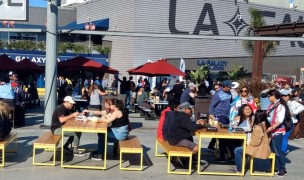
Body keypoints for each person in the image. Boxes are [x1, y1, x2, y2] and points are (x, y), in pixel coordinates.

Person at [266, 89, 292, 176]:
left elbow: (280, 120)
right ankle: (273, 167)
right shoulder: (272, 105)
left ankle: (282, 169)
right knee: (272, 150)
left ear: (274, 96)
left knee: (278, 151)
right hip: (271, 130)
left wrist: (272, 127)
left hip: (277, 131)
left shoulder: (280, 106)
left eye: (269, 96)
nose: (268, 98)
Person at [208, 80, 234, 152]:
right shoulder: (218, 94)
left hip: (227, 115)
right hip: (219, 116)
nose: (230, 88)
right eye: (229, 87)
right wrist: (211, 115)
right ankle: (223, 151)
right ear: (224, 87)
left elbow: (230, 102)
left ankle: (211, 145)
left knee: (222, 133)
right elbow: (212, 106)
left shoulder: (229, 93)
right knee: (223, 134)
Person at [281, 89, 304, 153]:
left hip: (290, 122)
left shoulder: (293, 103)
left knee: (285, 136)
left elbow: (302, 107)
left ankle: (283, 150)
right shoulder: (280, 103)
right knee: (282, 136)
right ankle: (281, 150)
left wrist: (294, 112)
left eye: (285, 95)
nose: (283, 97)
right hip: (281, 122)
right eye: (282, 95)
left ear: (289, 96)